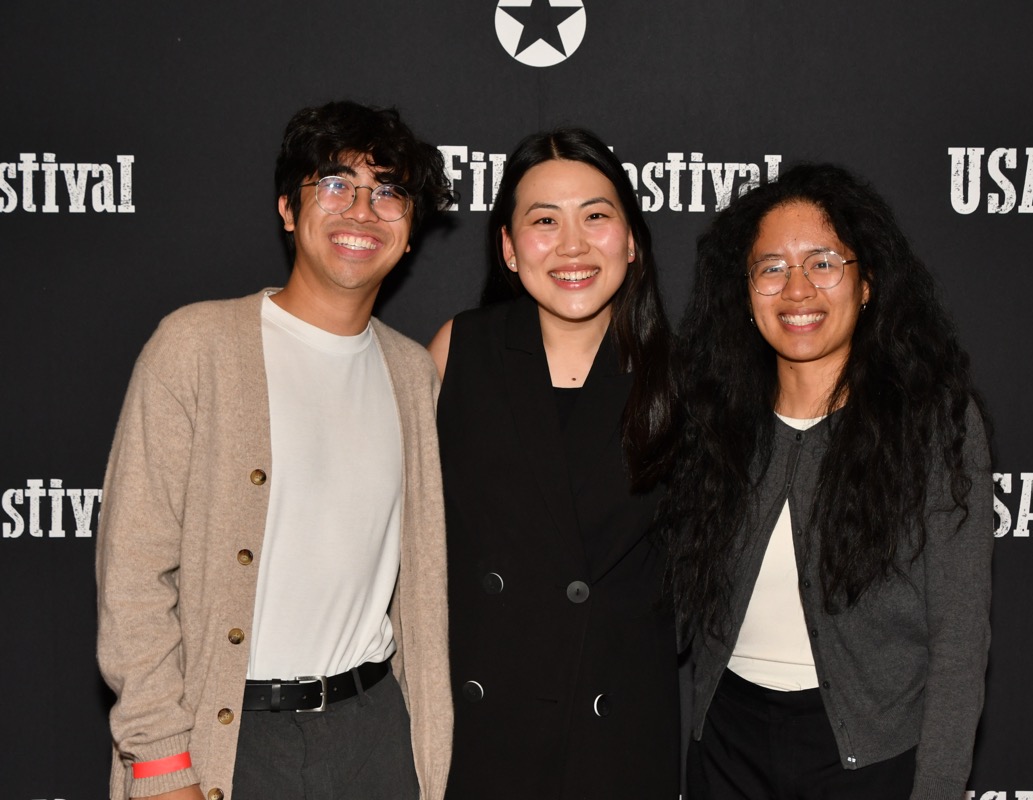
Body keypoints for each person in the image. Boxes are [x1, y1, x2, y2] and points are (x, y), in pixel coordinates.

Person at [96, 101, 455, 800]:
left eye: (388, 191)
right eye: (335, 184)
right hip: (228, 743)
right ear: (288, 209)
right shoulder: (195, 347)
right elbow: (133, 576)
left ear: (410, 231)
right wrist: (163, 762)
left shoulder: (413, 375)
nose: (362, 210)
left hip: (374, 735)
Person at [664, 163, 993, 800]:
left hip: (869, 755)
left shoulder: (934, 421)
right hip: (725, 745)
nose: (797, 290)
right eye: (771, 268)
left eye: (823, 262)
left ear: (866, 281)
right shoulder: (714, 415)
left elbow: (959, 635)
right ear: (745, 289)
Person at [427, 127, 679, 798]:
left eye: (596, 217)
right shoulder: (460, 351)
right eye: (544, 222)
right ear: (508, 248)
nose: (572, 245)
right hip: (485, 736)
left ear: (631, 239)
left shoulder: (682, 376)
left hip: (619, 736)